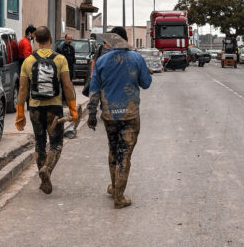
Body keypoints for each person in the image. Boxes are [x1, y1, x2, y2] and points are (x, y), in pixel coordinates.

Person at [87, 27, 152, 209]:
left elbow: (94, 91)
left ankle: (115, 186)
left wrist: (92, 114)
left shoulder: (102, 61)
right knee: (125, 154)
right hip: (130, 115)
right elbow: (146, 83)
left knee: (113, 150)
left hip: (109, 115)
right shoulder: (136, 58)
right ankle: (119, 196)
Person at [15, 26, 78, 195]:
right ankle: (47, 170)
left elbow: (22, 89)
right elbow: (67, 85)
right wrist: (73, 109)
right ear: (50, 39)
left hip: (35, 108)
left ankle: (42, 172)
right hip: (54, 108)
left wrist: (20, 113)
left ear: (35, 40)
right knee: (56, 143)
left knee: (40, 143)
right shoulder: (60, 59)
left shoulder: (28, 61)